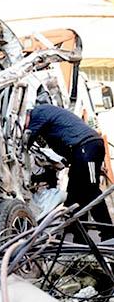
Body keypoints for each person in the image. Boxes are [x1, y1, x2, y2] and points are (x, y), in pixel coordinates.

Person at [27, 102, 113, 240]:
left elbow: (28, 136)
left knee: (91, 190)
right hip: (81, 153)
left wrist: (21, 152)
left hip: (86, 147)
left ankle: (109, 234)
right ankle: (79, 237)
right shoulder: (49, 122)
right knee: (74, 193)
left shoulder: (37, 112)